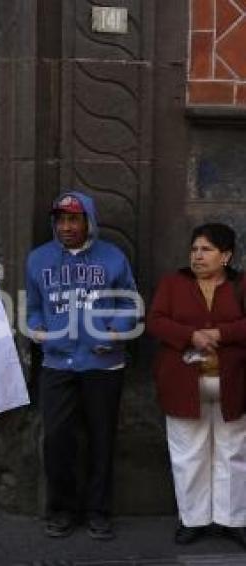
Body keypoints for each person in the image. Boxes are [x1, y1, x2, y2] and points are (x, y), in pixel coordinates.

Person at [25, 191, 139, 540]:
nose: (66, 227)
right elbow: (32, 306)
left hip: (103, 363)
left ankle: (99, 512)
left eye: (74, 219)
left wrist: (115, 332)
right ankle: (61, 511)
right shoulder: (38, 260)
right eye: (60, 220)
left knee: (101, 441)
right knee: (57, 439)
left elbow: (130, 304)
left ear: (88, 220)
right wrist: (37, 328)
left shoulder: (113, 258)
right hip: (58, 362)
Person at [147, 223, 246, 548]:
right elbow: (156, 320)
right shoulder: (173, 284)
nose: (198, 256)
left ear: (226, 256)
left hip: (233, 383)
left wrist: (222, 334)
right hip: (183, 383)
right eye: (194, 249)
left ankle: (232, 519)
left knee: (233, 452)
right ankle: (193, 519)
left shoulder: (241, 284)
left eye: (207, 249)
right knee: (188, 453)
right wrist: (189, 335)